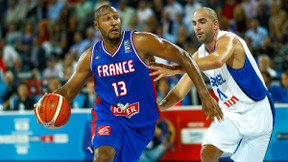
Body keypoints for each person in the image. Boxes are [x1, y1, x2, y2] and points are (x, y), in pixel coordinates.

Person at [33, 5, 222, 162]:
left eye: (116, 17)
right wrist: (45, 104)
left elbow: (183, 56)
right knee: (103, 157)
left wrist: (204, 94)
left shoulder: (140, 42)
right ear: (97, 25)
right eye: (107, 19)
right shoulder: (91, 56)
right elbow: (69, 90)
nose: (114, 22)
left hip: (141, 122)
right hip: (109, 115)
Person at [149, 7, 275, 162]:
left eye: (202, 22)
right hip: (229, 114)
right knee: (207, 153)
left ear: (215, 24)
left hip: (257, 112)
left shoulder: (230, 40)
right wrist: (156, 108)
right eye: (194, 23)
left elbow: (217, 60)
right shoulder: (198, 55)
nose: (197, 27)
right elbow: (179, 92)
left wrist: (176, 68)